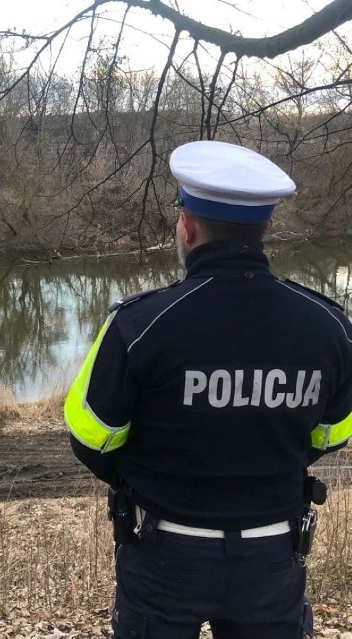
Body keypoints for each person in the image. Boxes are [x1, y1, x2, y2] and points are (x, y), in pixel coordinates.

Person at [64, 140, 352, 639]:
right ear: (265, 228)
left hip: (164, 553)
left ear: (188, 227)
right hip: (273, 555)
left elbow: (92, 437)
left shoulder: (139, 324)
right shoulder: (330, 325)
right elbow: (331, 434)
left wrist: (151, 477)